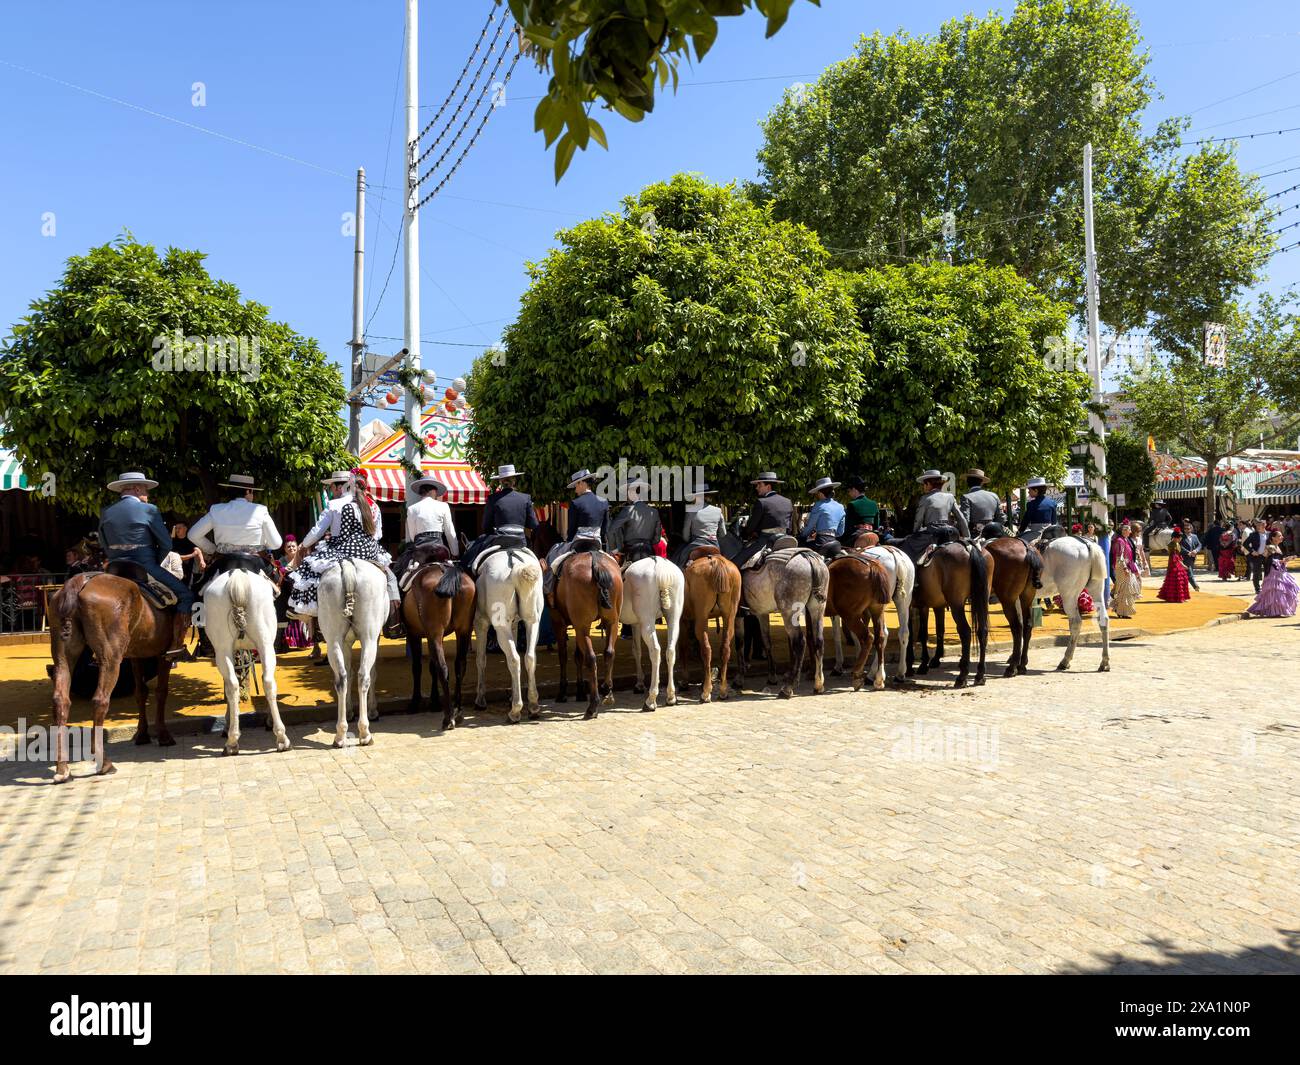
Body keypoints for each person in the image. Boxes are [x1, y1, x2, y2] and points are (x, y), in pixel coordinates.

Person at [98, 471, 195, 657]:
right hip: (144, 564)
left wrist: (116, 557)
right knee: (186, 595)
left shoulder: (106, 511)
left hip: (115, 567)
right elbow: (166, 543)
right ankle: (176, 645)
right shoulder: (149, 509)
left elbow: (103, 541)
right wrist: (154, 562)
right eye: (146, 490)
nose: (147, 494)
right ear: (136, 488)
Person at [289, 469, 398, 626]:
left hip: (343, 547)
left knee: (309, 569)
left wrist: (303, 545)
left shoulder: (335, 505)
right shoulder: (372, 506)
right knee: (390, 576)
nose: (331, 491)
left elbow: (318, 531)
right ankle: (394, 618)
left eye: (331, 487)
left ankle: (308, 610)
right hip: (370, 549)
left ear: (339, 487)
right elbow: (377, 534)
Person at [188, 473, 283, 593]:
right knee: (278, 588)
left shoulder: (216, 509)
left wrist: (213, 549)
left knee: (199, 591)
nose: (252, 495)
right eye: (252, 492)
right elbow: (276, 544)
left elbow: (193, 535)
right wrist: (263, 545)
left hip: (223, 561)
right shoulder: (260, 510)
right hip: (256, 563)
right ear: (248, 491)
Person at [543, 468, 610, 595]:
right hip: (597, 543)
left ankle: (548, 590)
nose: (575, 489)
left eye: (576, 485)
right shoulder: (604, 502)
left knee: (553, 555)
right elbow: (605, 529)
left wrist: (567, 541)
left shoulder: (575, 503)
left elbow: (572, 529)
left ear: (582, 483)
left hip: (579, 542)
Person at [462, 464, 539, 571]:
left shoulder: (493, 499)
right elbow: (533, 524)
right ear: (514, 480)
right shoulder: (525, 498)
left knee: (471, 560)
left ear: (501, 481)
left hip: (499, 539)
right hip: (520, 540)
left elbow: (486, 526)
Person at [391, 475, 458, 586]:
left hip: (420, 550)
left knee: (399, 574)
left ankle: (400, 595)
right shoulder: (443, 506)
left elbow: (412, 536)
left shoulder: (412, 509)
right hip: (440, 549)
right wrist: (455, 553)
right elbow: (450, 533)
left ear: (421, 492)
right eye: (436, 492)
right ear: (433, 491)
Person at [729, 472, 793, 569]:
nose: (757, 487)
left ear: (768, 486)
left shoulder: (761, 502)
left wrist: (746, 532)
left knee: (733, 564)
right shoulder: (788, 501)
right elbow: (789, 526)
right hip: (785, 538)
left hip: (765, 541)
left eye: (759, 484)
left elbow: (751, 527)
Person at [1245, 529, 1298, 617]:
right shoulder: (1270, 547)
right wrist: (1283, 560)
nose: (1282, 537)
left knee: (1284, 589)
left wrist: (1286, 559)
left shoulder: (1278, 547)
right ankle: (1273, 611)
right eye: (1279, 536)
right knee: (1275, 591)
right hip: (1273, 572)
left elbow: (1277, 559)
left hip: (1279, 571)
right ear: (1273, 538)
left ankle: (1278, 610)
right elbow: (1268, 560)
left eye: (1281, 536)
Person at [608, 478, 663, 562]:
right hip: (649, 551)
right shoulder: (654, 511)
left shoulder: (628, 510)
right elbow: (657, 539)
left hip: (631, 552)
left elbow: (611, 530)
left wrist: (614, 550)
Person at [673, 483, 724, 567]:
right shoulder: (718, 510)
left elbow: (685, 535)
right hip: (714, 544)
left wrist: (688, 540)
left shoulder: (691, 511)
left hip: (695, 544)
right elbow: (723, 533)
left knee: (678, 561)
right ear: (706, 496)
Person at [799, 477, 846, 555]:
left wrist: (801, 536)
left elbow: (810, 527)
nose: (817, 495)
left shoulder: (819, 505)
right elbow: (840, 532)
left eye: (817, 493)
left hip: (821, 542)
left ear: (820, 493)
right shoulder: (840, 506)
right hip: (835, 543)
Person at [1109, 518, 1141, 618]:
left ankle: (1121, 610)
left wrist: (1134, 569)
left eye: (1129, 529)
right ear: (1123, 531)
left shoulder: (1126, 540)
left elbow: (1129, 557)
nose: (1130, 531)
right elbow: (1119, 556)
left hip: (1127, 566)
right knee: (1124, 590)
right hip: (1122, 567)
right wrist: (1125, 568)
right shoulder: (1119, 541)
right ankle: (1122, 611)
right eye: (1127, 529)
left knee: (1126, 589)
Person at [959, 469, 1001, 537]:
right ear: (981, 482)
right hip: (994, 533)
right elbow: (1001, 517)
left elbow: (965, 520)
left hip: (975, 535)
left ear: (967, 481)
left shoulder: (966, 497)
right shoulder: (994, 496)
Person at [1016, 477, 1059, 541]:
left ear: (1036, 490)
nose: (1028, 492)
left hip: (1035, 533)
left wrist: (1020, 531)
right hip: (1049, 533)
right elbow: (1054, 521)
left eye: (1029, 490)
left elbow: (1026, 521)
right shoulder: (1052, 503)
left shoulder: (1031, 504)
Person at [1156, 528, 1191, 603]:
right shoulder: (1172, 544)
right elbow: (1174, 556)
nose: (1181, 539)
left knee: (1180, 578)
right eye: (1180, 537)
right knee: (1176, 579)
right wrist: (1183, 564)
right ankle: (1175, 598)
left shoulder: (1177, 543)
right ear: (1175, 537)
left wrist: (1182, 563)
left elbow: (1178, 555)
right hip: (1174, 562)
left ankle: (1180, 597)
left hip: (1177, 561)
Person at [1244, 518, 1270, 593]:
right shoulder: (1253, 535)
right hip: (1257, 556)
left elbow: (1272, 544)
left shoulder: (1268, 534)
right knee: (1256, 572)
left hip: (1266, 556)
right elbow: (1245, 544)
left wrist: (1269, 551)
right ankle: (1257, 589)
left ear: (1264, 525)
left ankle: (1266, 587)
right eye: (1257, 525)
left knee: (1267, 572)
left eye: (1260, 525)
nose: (1258, 527)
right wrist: (1252, 551)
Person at [1177, 518, 1201, 591]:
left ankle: (1183, 586)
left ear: (1191, 529)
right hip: (1184, 557)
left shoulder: (1195, 536)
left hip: (1193, 557)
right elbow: (1180, 546)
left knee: (1187, 572)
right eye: (1185, 529)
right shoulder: (1181, 537)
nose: (1186, 530)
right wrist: (1188, 552)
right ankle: (1195, 586)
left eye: (1188, 529)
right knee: (1189, 571)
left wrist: (1195, 551)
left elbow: (1199, 545)